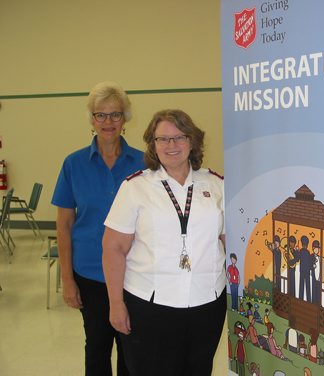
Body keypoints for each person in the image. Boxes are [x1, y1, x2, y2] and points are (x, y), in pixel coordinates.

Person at [102, 109, 226, 376]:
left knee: (198, 370)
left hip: (207, 304)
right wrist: (115, 303)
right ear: (152, 144)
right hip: (150, 307)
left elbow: (229, 241)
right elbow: (113, 248)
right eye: (162, 139)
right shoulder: (135, 188)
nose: (171, 146)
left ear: (192, 141)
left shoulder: (216, 185)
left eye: (179, 137)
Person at [51, 81, 144, 376]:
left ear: (125, 119)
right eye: (100, 115)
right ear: (91, 119)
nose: (108, 122)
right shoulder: (73, 164)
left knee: (132, 351)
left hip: (135, 273)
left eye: (115, 114)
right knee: (97, 349)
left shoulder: (144, 164)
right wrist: (67, 279)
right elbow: (64, 226)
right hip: (90, 274)